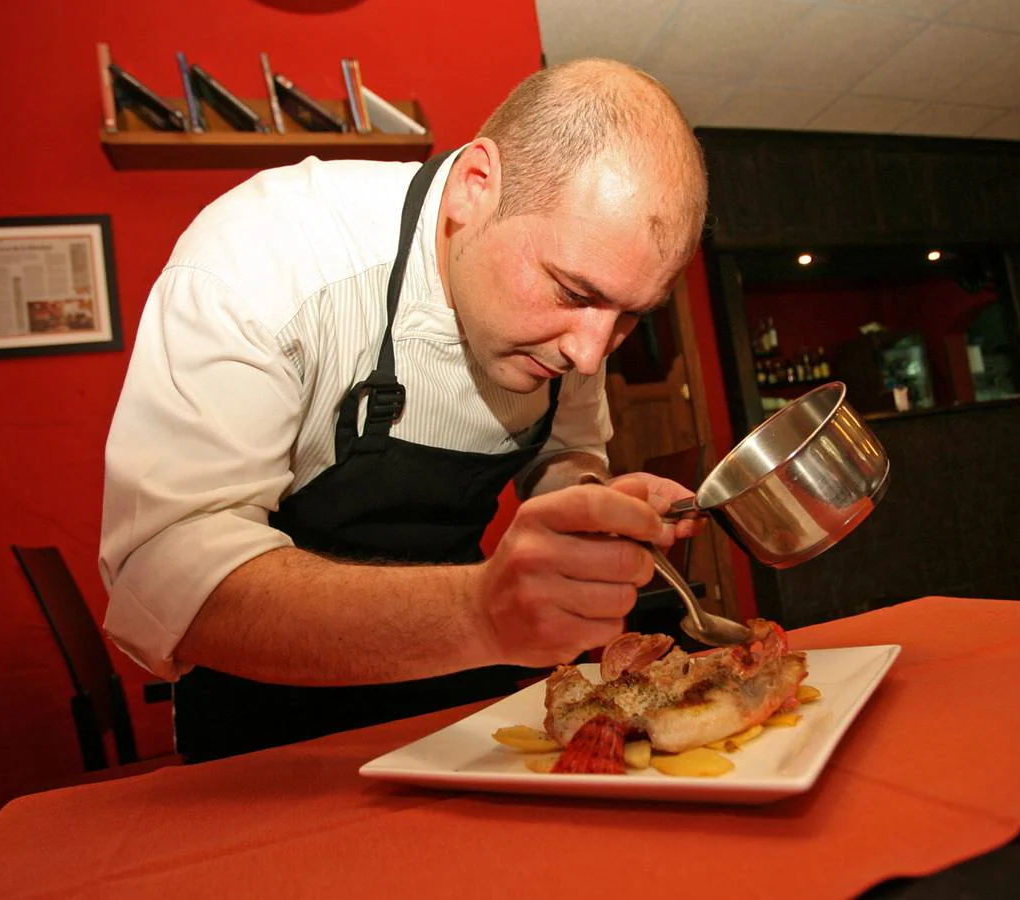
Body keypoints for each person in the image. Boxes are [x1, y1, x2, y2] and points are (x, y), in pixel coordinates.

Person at [99, 58, 709, 762]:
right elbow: (168, 578)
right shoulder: (269, 253)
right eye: (574, 293)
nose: (592, 354)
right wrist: (479, 612)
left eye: (630, 316)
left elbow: (562, 452)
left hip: (461, 715)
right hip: (264, 743)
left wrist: (590, 511)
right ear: (477, 188)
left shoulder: (574, 333)